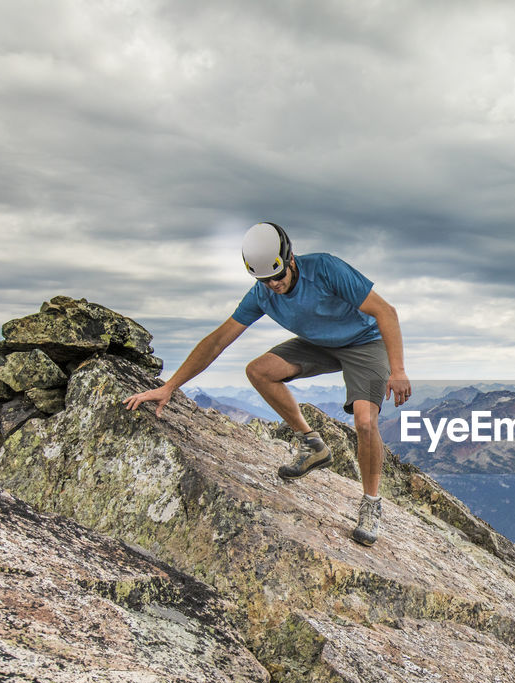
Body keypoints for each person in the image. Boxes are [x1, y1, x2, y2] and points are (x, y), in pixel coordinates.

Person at [123, 222, 410, 546]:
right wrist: (169, 386)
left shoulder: (326, 269)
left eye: (278, 276)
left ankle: (371, 504)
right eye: (265, 279)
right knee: (259, 370)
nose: (273, 284)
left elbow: (386, 312)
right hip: (317, 344)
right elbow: (217, 341)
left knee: (364, 421)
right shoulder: (262, 294)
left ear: (290, 259)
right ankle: (312, 444)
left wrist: (397, 369)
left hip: (365, 342)